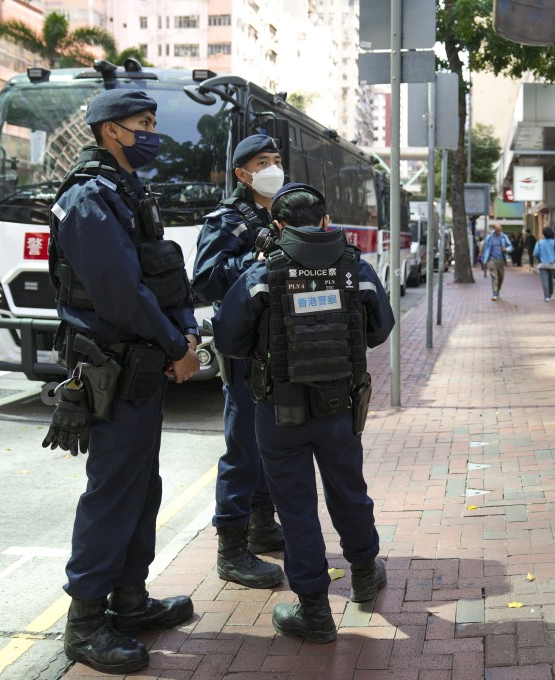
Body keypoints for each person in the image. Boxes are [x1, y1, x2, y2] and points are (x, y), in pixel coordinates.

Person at [42, 89, 200, 674]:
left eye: (153, 121)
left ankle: (129, 600)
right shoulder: (88, 199)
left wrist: (187, 337)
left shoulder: (130, 193)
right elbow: (119, 294)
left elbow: (163, 273)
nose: (152, 132)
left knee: (141, 487)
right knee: (112, 493)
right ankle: (85, 623)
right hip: (114, 364)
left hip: (143, 363)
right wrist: (172, 346)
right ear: (111, 131)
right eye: (142, 123)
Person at [212, 182, 395, 644]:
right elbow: (379, 331)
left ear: (277, 225)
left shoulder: (260, 273)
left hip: (280, 413)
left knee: (295, 509)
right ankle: (364, 575)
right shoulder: (358, 267)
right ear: (327, 222)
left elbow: (230, 340)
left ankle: (314, 612)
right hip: (340, 409)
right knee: (350, 492)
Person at [192, 134, 286, 590]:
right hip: (245, 350)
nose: (273, 168)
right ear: (243, 174)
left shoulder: (286, 212)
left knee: (272, 442)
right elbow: (206, 281)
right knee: (243, 449)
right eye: (262, 162)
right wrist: (258, 256)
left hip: (282, 346)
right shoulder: (226, 220)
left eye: (276, 160)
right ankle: (231, 549)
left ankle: (262, 525)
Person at [480, 222, 512, 301]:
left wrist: (506, 249)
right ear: (494, 230)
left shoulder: (504, 237)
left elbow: (510, 246)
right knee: (494, 276)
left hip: (501, 259)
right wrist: (484, 259)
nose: (498, 232)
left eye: (500, 230)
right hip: (492, 259)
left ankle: (497, 290)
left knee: (501, 277)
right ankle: (495, 293)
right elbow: (485, 248)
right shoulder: (489, 237)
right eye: (497, 230)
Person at [533, 227, 555, 302]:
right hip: (552, 264)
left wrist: (539, 258)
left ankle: (546, 296)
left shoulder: (539, 243)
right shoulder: (554, 243)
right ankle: (550, 293)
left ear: (544, 234)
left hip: (543, 264)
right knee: (550, 280)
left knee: (544, 281)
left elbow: (535, 253)